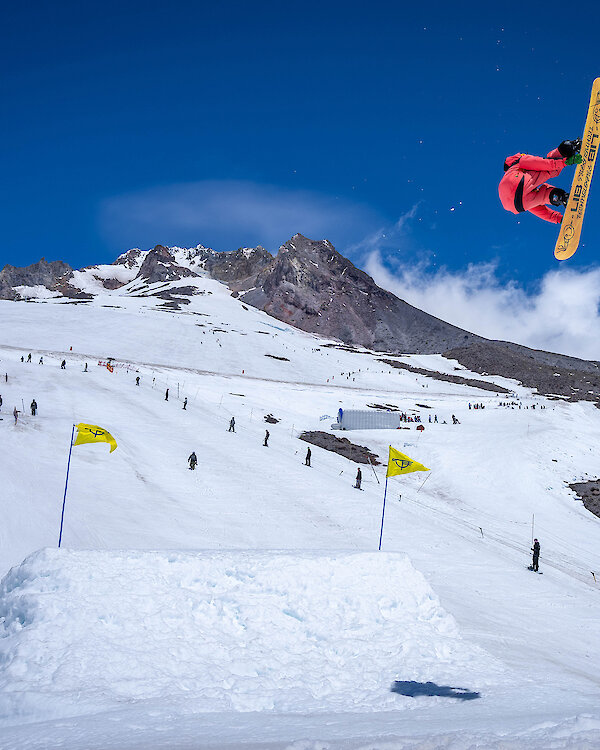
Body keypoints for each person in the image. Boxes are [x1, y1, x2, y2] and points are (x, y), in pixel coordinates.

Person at [499, 139, 582, 224]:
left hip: (516, 205)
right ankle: (571, 146)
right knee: (550, 169)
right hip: (516, 183)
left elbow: (537, 209)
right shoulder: (518, 160)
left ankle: (561, 198)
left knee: (543, 196)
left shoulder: (512, 174)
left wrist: (558, 219)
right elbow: (540, 163)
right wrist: (565, 162)